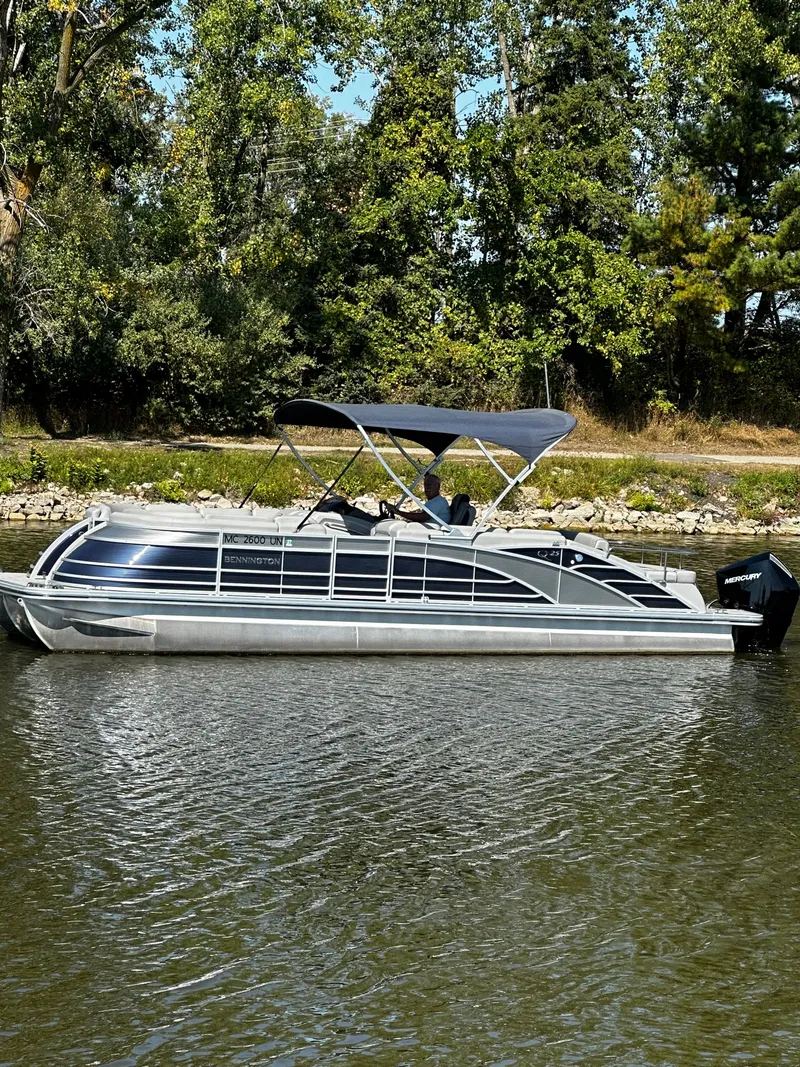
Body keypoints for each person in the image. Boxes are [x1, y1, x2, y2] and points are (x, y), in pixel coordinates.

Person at [386, 473, 451, 526]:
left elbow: (423, 517)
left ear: (437, 486)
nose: (427, 488)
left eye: (429, 485)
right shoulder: (432, 501)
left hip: (434, 532)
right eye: (425, 485)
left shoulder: (439, 502)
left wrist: (398, 512)